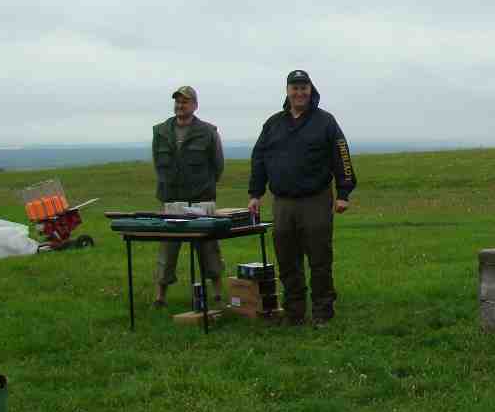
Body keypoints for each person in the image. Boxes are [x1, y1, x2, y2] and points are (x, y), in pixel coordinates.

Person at [247, 70, 356, 326]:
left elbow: (342, 155)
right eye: (294, 88)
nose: (299, 93)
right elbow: (259, 158)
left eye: (303, 88)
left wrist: (343, 193)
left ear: (310, 90)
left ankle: (322, 311)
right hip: (283, 202)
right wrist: (255, 193)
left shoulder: (325, 121)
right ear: (287, 91)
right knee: (287, 259)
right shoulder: (273, 123)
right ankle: (294, 311)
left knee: (319, 258)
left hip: (315, 199)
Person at [151, 86, 225, 307]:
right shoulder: (160, 131)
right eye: (178, 101)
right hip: (172, 199)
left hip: (201, 199)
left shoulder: (208, 132)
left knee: (209, 248)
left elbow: (218, 165)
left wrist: (204, 187)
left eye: (185, 101)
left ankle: (218, 293)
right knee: (167, 249)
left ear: (195, 105)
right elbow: (158, 164)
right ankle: (160, 297)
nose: (180, 105)